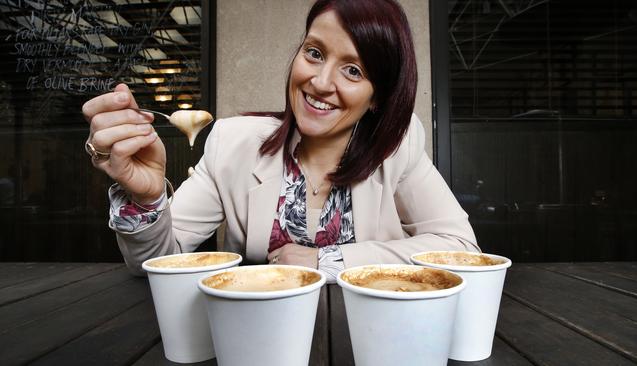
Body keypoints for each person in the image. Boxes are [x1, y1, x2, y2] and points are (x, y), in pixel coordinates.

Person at [82, 0, 479, 282]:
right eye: (314, 52)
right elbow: (154, 266)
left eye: (354, 71)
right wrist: (147, 198)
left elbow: (460, 248)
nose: (321, 83)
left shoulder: (398, 143)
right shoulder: (232, 144)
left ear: (378, 97)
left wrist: (328, 260)